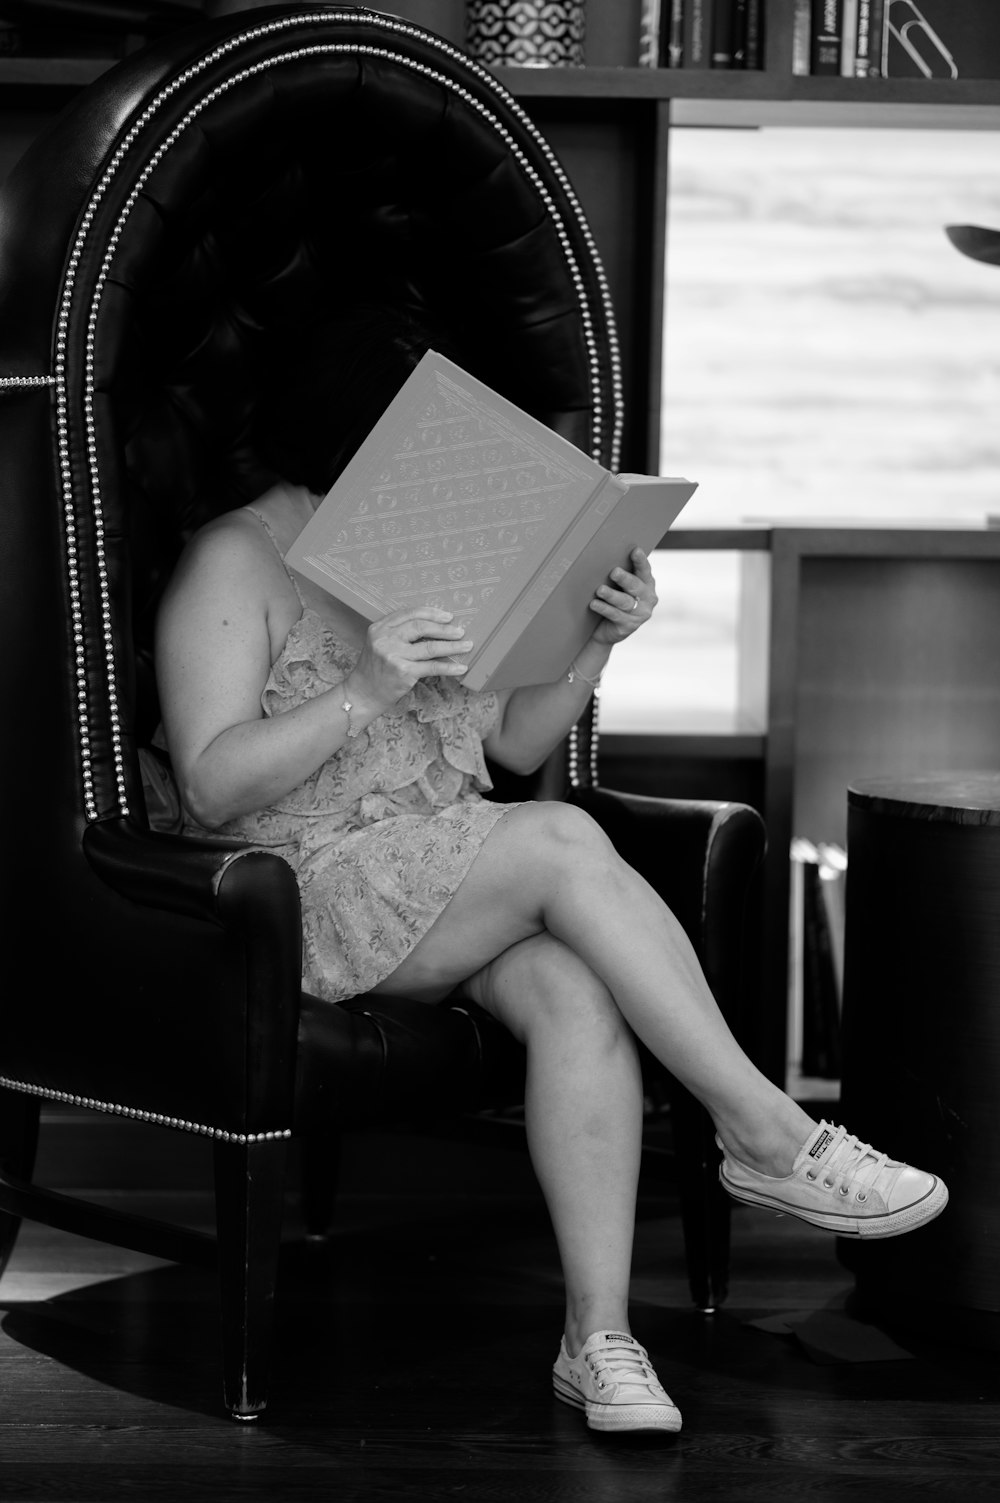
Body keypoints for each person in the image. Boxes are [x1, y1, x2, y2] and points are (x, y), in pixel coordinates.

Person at [154, 308, 948, 1437]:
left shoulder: (428, 555)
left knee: (577, 990)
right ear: (356, 436)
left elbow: (515, 749)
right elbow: (207, 789)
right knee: (560, 841)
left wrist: (595, 638)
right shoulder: (234, 556)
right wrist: (364, 691)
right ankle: (766, 1135)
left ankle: (598, 1339)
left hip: (436, 874)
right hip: (297, 892)